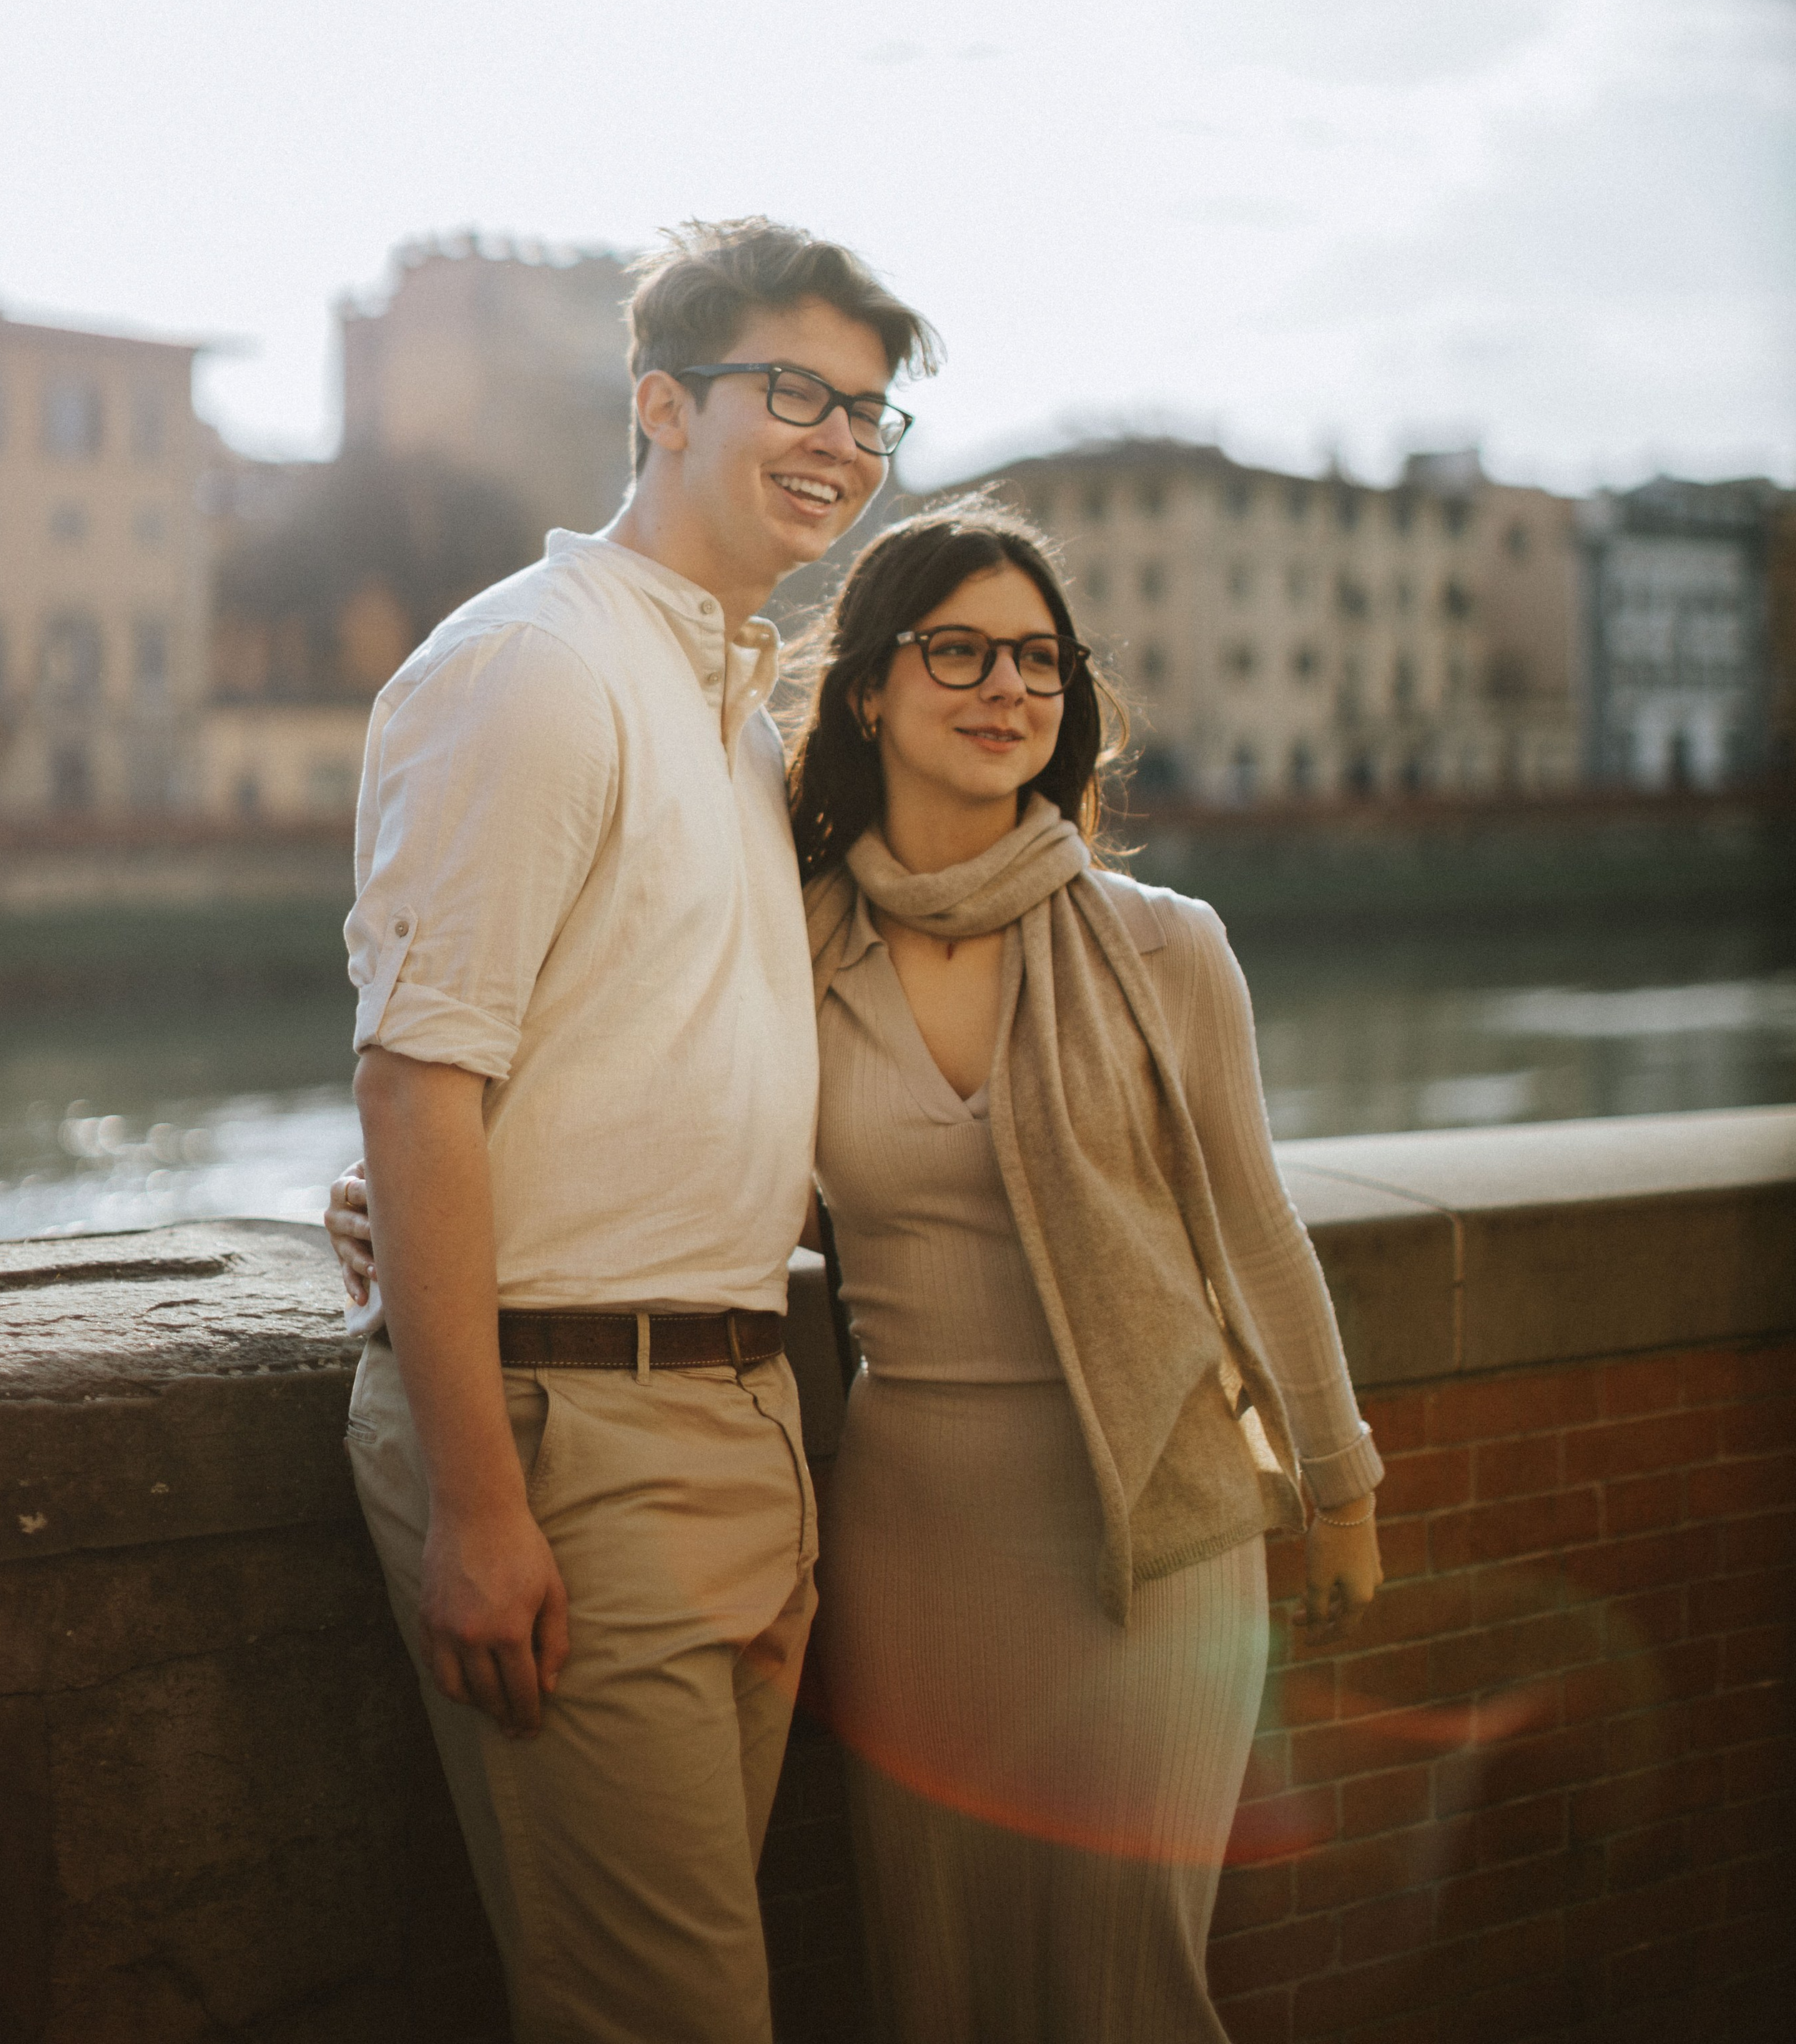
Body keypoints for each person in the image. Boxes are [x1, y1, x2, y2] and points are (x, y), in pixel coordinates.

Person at [335, 486, 1384, 2043]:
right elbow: (655, 1108)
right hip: (914, 1537)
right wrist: (405, 1196)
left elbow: (1255, 1231)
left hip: (1155, 1535)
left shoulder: (1165, 946)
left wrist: (1340, 1488)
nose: (1004, 689)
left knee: (1129, 1980)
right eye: (956, 652)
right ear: (873, 685)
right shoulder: (801, 941)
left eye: (1037, 659)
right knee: (936, 1973)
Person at [332, 215, 940, 2044]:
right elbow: (420, 1076)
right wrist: (479, 1505)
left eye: (870, 408)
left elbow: (599, 1054)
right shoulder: (534, 665)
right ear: (660, 404)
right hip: (569, 1435)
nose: (841, 437)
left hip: (738, 1416)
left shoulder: (730, 703)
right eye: (797, 391)